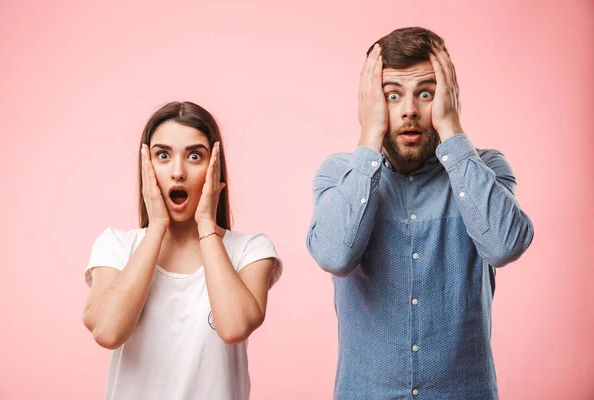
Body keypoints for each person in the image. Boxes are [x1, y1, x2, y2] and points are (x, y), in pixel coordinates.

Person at [306, 27, 534, 399]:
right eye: (391, 96)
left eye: (425, 94)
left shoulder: (485, 168)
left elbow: (505, 247)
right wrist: (369, 136)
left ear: (448, 96)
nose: (409, 110)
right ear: (369, 103)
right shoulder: (341, 174)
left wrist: (451, 128)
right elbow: (334, 255)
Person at [82, 101, 282, 400]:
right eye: (163, 155)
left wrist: (206, 224)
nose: (178, 172)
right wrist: (157, 226)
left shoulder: (250, 250)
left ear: (214, 167)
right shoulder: (115, 246)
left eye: (194, 156)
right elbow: (108, 332)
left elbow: (233, 327)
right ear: (146, 166)